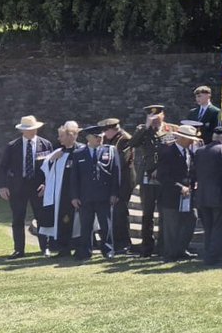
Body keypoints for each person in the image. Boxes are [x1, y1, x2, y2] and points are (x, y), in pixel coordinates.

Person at [0, 114, 51, 258]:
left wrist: (46, 184)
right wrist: (3, 186)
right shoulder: (12, 146)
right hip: (17, 187)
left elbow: (51, 169)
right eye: (29, 129)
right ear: (22, 131)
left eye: (34, 129)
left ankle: (45, 247)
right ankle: (19, 249)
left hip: (38, 188)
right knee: (18, 218)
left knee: (41, 217)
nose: (33, 132)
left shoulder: (45, 145)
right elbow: (2, 167)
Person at [68, 125, 122, 259]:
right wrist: (74, 196)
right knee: (86, 226)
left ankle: (108, 250)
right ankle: (85, 251)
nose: (100, 139)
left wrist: (114, 193)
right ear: (88, 138)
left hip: (104, 195)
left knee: (106, 225)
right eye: (96, 137)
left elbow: (116, 173)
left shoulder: (110, 151)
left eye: (101, 137)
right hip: (85, 196)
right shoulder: (78, 153)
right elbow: (74, 177)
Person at [193, 124, 222, 265]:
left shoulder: (199, 152)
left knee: (208, 228)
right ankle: (213, 257)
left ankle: (209, 254)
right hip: (220, 196)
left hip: (202, 196)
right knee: (220, 228)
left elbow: (194, 173)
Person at [38, 122, 81, 257]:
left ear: (71, 136)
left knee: (78, 222)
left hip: (78, 193)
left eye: (61, 136)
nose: (59, 139)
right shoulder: (59, 152)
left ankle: (79, 247)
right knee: (63, 220)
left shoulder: (81, 151)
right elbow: (47, 170)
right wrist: (52, 160)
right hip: (61, 194)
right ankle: (64, 248)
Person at [157, 123, 199, 260]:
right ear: (181, 138)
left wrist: (193, 184)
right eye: (189, 138)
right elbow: (162, 176)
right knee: (171, 225)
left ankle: (181, 249)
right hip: (171, 195)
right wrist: (179, 187)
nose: (192, 141)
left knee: (191, 219)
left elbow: (192, 172)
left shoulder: (190, 154)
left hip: (188, 195)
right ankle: (170, 253)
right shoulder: (168, 153)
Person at [130, 104, 166, 257]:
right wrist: (146, 127)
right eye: (152, 118)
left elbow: (171, 152)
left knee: (165, 213)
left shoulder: (170, 130)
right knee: (147, 213)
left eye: (157, 118)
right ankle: (147, 247)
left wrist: (160, 168)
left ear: (162, 116)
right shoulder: (143, 131)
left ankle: (163, 245)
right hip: (147, 175)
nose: (155, 121)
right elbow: (133, 144)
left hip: (164, 176)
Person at [99, 118, 136, 256]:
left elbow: (121, 162)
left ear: (112, 129)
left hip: (124, 182)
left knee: (120, 212)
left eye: (105, 130)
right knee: (114, 213)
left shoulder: (124, 139)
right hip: (113, 181)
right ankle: (115, 241)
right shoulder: (110, 140)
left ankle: (124, 243)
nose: (103, 134)